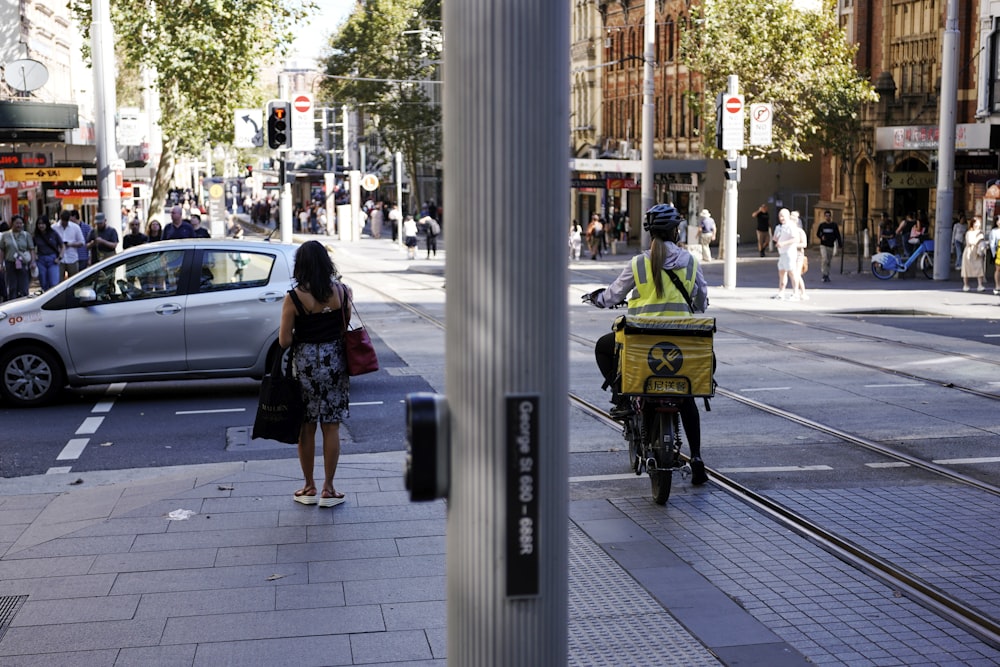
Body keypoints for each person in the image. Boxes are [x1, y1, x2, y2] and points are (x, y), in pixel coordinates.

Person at [587, 203, 709, 485]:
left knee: (604, 347)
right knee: (687, 396)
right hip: (681, 346)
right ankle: (698, 459)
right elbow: (701, 300)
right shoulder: (690, 261)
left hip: (642, 345)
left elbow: (613, 294)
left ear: (650, 233)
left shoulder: (639, 263)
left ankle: (621, 396)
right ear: (675, 231)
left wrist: (597, 298)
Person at [279, 240, 352, 508]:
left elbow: (284, 341)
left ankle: (308, 486)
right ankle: (329, 489)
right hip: (335, 362)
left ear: (301, 266)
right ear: (326, 263)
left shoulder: (294, 297)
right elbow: (345, 328)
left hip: (306, 365)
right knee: (331, 425)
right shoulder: (343, 292)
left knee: (306, 426)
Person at [0, 215, 37, 300]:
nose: (19, 225)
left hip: (23, 263)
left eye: (21, 223)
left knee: (24, 286)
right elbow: (2, 250)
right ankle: (12, 305)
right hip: (10, 263)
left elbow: (31, 249)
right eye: (17, 223)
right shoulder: (5, 235)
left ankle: (24, 304)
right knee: (12, 287)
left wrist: (33, 262)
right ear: (12, 223)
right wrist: (1, 264)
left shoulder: (26, 235)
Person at [772, 208, 798, 299]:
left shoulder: (791, 226)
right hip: (782, 253)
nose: (781, 218)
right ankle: (781, 292)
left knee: (791, 272)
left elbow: (795, 239)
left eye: (783, 216)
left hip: (789, 252)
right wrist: (776, 238)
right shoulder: (779, 227)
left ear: (787, 216)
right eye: (780, 216)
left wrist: (783, 243)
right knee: (782, 272)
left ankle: (795, 292)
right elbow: (775, 239)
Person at [32, 215, 63, 292]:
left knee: (54, 283)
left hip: (52, 259)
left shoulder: (53, 233)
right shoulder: (36, 235)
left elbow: (62, 246)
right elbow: (31, 247)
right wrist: (34, 256)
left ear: (47, 224)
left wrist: (59, 257)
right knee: (43, 282)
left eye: (43, 224)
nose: (41, 226)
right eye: (39, 224)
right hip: (41, 260)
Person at [54, 210, 86, 279]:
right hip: (59, 259)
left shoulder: (75, 227)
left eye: (66, 221)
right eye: (63, 221)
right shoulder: (54, 228)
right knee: (58, 281)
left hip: (72, 258)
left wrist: (70, 244)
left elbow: (82, 242)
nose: (65, 223)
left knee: (74, 281)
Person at [815, 210, 842, 283]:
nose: (827, 217)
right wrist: (821, 237)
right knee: (825, 259)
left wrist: (840, 244)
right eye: (826, 216)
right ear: (824, 217)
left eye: (829, 216)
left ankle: (827, 274)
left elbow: (837, 235)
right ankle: (824, 274)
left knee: (829, 261)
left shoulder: (834, 225)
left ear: (831, 217)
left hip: (831, 245)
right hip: (823, 245)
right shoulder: (822, 225)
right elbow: (817, 233)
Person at [961, 216, 986, 292]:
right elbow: (970, 241)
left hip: (977, 252)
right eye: (975, 223)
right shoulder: (969, 232)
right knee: (966, 269)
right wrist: (978, 240)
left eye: (978, 223)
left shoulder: (981, 232)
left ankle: (980, 285)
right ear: (972, 224)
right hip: (969, 251)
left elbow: (982, 241)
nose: (976, 225)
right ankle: (966, 285)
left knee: (979, 268)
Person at [790, 212, 809, 301]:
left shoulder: (800, 232)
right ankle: (802, 292)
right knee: (794, 274)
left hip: (799, 254)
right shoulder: (790, 231)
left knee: (797, 274)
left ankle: (796, 293)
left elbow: (804, 244)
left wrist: (794, 245)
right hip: (790, 254)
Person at [989, 220, 1000, 295]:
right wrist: (994, 254)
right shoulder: (994, 231)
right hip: (998, 251)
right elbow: (992, 243)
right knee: (998, 269)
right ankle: (997, 285)